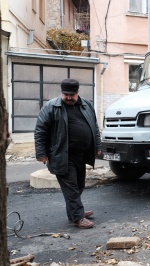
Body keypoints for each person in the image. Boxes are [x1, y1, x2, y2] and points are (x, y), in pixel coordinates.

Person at [34, 78, 102, 228]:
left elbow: (94, 127)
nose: (69, 98)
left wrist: (97, 145)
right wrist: (41, 152)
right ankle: (78, 217)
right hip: (62, 155)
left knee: (79, 185)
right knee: (70, 187)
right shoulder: (51, 107)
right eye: (66, 95)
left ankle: (74, 212)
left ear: (77, 93)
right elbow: (40, 131)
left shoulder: (86, 105)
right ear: (61, 92)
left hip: (81, 155)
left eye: (72, 95)